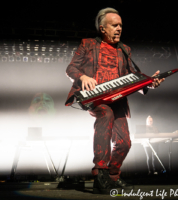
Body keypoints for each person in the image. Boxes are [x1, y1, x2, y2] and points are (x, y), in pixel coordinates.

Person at [65, 8, 164, 194]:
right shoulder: (87, 44)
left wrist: (149, 83)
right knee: (105, 113)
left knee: (125, 142)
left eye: (120, 25)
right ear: (103, 29)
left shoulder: (125, 50)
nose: (119, 28)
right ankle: (99, 173)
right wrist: (83, 77)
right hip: (96, 97)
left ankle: (113, 176)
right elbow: (71, 68)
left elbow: (130, 78)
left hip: (118, 99)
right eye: (114, 25)